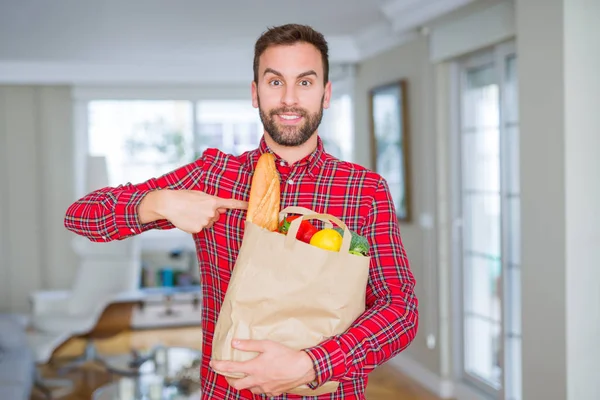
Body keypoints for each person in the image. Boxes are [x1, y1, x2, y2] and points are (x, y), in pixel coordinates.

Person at [64, 23, 418, 400]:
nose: (289, 99)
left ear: (326, 94)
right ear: (255, 92)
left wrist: (313, 363)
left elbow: (400, 308)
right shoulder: (214, 176)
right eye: (275, 82)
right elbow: (81, 216)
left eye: (305, 82)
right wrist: (158, 203)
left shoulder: (363, 191)